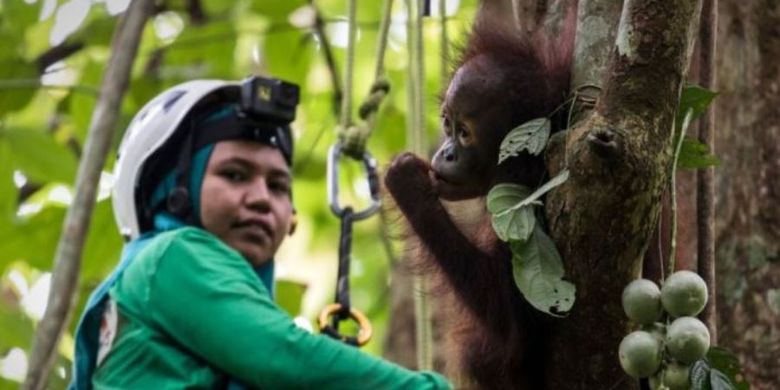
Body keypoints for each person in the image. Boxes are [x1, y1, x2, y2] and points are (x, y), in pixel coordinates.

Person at [69, 76, 451, 390]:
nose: (262, 199)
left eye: (278, 186)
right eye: (234, 174)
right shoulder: (170, 256)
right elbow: (284, 356)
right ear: (174, 190)